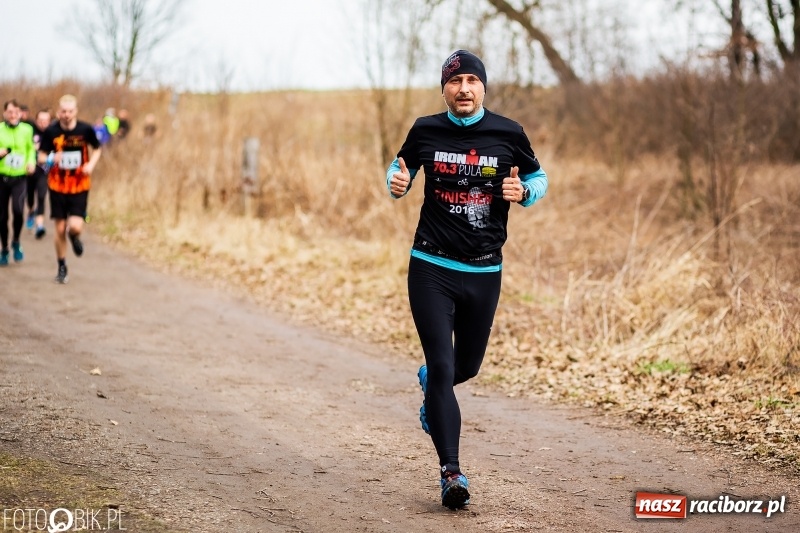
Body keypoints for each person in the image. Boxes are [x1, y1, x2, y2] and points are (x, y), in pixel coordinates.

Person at [385, 50, 548, 510]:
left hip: (484, 269)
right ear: (445, 88)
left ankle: (431, 387)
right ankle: (451, 472)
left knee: (467, 367)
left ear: (482, 87)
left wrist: (526, 193)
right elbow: (399, 172)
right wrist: (395, 184)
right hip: (431, 265)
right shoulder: (424, 130)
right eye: (456, 82)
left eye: (472, 80)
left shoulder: (508, 133)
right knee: (442, 366)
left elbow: (539, 178)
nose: (464, 88)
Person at [38, 94, 102, 284]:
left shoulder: (85, 129)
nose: (66, 115)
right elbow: (40, 157)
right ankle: (62, 266)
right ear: (59, 112)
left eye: (70, 111)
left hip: (79, 185)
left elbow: (97, 149)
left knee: (74, 226)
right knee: (59, 229)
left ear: (76, 111)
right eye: (63, 111)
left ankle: (75, 237)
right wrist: (50, 159)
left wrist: (90, 165)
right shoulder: (51, 131)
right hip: (57, 185)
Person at [0, 100, 36, 265]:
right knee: (2, 217)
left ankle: (16, 241)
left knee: (18, 211)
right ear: (4, 114)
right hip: (2, 178)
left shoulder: (27, 130)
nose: (13, 115)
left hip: (20, 178)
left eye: (16, 112)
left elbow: (30, 149)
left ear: (20, 114)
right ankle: (5, 248)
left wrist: (31, 163)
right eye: (10, 112)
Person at [27, 109, 52, 238]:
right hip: (30, 170)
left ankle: (40, 225)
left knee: (41, 196)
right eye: (40, 121)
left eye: (46, 121)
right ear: (36, 121)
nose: (43, 123)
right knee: (30, 196)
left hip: (44, 171)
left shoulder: (53, 133)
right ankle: (31, 211)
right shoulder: (30, 132)